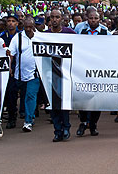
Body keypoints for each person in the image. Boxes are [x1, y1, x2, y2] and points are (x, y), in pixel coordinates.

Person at [76, 11, 110, 137]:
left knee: (97, 99)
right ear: (87, 19)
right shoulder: (81, 32)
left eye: (96, 18)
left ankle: (93, 124)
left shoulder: (106, 33)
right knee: (82, 97)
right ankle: (83, 122)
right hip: (83, 70)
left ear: (100, 19)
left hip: (99, 70)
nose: (93, 20)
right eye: (91, 18)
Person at [46, 9, 76, 141]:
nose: (54, 19)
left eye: (57, 17)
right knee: (53, 104)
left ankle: (66, 128)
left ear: (62, 19)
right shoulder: (44, 35)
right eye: (52, 17)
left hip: (66, 74)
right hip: (49, 74)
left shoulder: (70, 33)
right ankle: (57, 130)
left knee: (64, 103)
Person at [8, 18, 41, 134]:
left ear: (33, 26)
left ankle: (28, 121)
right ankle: (28, 115)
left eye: (30, 27)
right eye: (26, 27)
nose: (28, 29)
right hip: (20, 74)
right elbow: (11, 54)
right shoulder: (18, 38)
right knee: (17, 95)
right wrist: (10, 66)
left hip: (34, 74)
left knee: (30, 95)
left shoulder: (40, 37)